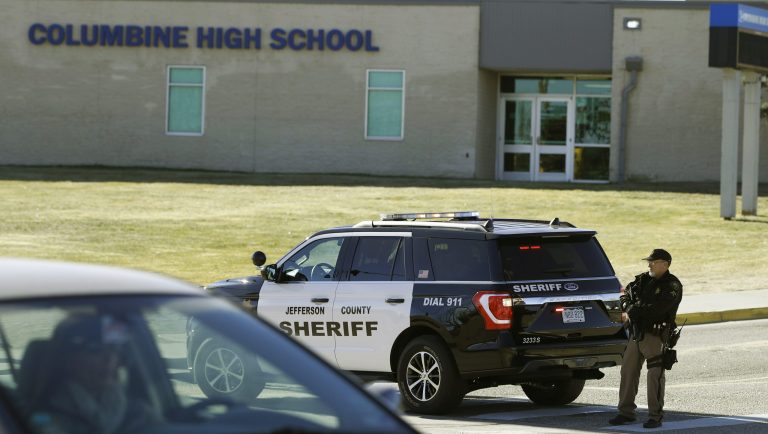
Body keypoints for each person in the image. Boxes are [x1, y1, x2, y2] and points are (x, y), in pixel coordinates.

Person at [29, 314, 160, 434]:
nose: (109, 358)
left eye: (114, 349)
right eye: (95, 350)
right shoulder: (43, 420)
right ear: (67, 359)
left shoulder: (139, 413)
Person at [609, 249, 683, 429]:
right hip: (636, 332)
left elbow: (658, 309)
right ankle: (626, 412)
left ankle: (655, 416)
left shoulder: (672, 285)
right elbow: (625, 295)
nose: (649, 264)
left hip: (656, 334)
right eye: (649, 261)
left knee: (655, 375)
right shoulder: (642, 279)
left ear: (665, 264)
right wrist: (628, 305)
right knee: (628, 371)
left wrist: (635, 310)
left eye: (653, 261)